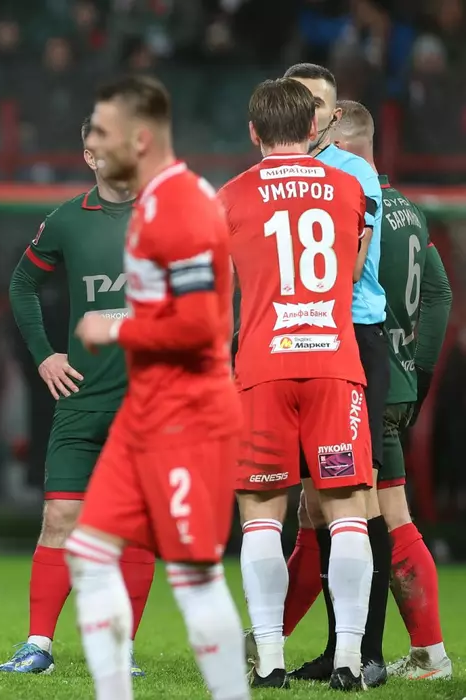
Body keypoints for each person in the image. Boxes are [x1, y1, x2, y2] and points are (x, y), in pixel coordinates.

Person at [70, 75, 248, 700]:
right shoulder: (152, 201)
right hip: (144, 411)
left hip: (189, 415)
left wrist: (115, 327)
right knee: (89, 552)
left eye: (103, 131)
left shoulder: (183, 207)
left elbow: (201, 326)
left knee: (195, 577)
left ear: (139, 139)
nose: (93, 142)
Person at [221, 78, 376, 691]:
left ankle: (270, 660)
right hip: (335, 366)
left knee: (261, 515)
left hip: (263, 369)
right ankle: (348, 661)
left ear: (254, 132)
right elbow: (353, 270)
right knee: (347, 513)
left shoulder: (230, 196)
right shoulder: (350, 187)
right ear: (314, 128)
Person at [0, 116, 155, 676]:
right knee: (60, 517)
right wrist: (45, 354)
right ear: (89, 156)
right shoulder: (67, 219)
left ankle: (121, 650)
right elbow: (22, 284)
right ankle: (38, 645)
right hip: (82, 400)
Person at [274, 63, 390, 686]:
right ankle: (336, 646)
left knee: (357, 495)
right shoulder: (278, 174)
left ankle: (367, 652)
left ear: (334, 113)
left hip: (352, 336)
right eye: (299, 102)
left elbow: (353, 264)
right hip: (300, 346)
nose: (309, 114)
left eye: (317, 103)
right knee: (317, 505)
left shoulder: (354, 172)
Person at [332, 100, 454, 680]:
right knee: (364, 512)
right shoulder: (412, 211)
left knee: (349, 514)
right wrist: (421, 374)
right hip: (399, 377)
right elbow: (440, 295)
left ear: (344, 147)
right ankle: (426, 652)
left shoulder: (353, 207)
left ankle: (269, 643)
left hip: (363, 374)